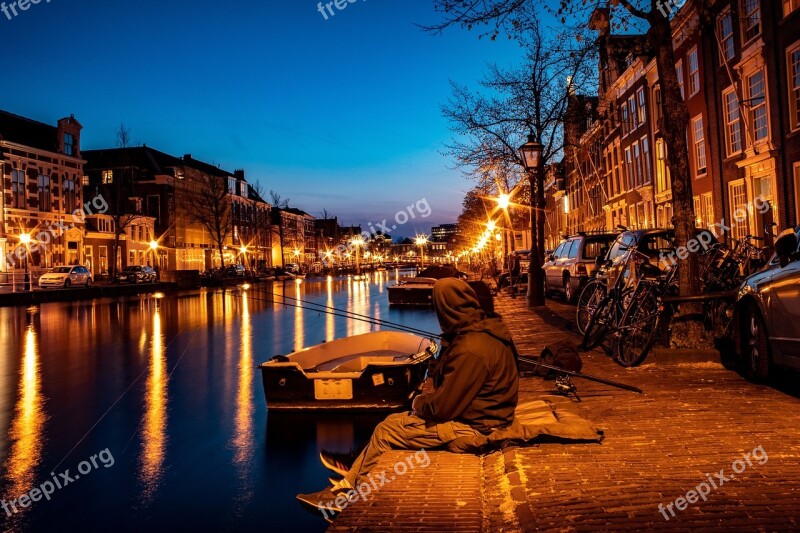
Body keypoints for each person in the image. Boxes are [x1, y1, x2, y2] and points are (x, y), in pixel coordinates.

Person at [297, 278, 519, 513]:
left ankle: (349, 498)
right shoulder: (481, 332)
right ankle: (348, 482)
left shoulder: (471, 349)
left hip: (479, 426)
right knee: (393, 422)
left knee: (387, 431)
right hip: (489, 414)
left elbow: (444, 407)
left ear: (446, 309)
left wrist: (418, 402)